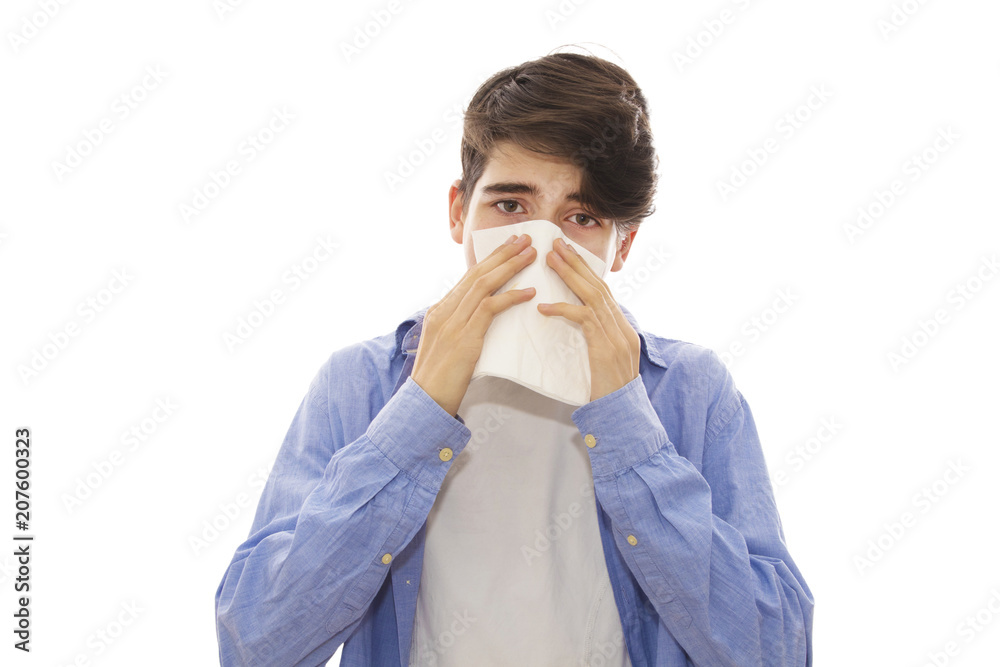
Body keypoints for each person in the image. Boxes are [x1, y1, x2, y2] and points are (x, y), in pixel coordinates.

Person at [215, 48, 814, 666]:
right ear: (458, 213)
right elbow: (258, 645)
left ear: (623, 244)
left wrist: (628, 426)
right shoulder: (361, 385)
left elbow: (776, 652)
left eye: (580, 217)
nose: (537, 245)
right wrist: (418, 412)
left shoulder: (688, 390)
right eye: (509, 206)